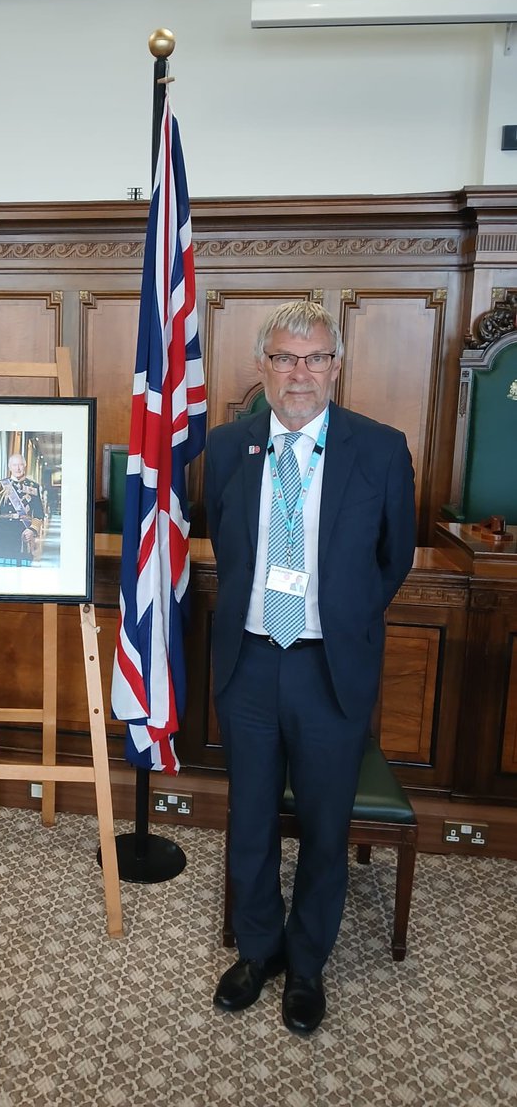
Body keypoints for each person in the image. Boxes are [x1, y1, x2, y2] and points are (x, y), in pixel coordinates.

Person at [204, 300, 415, 1035]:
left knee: (327, 825)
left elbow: (394, 561)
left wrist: (343, 619)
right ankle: (259, 951)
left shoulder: (381, 450)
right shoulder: (229, 448)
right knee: (252, 817)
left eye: (316, 357)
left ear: (336, 366)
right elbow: (222, 544)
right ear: (263, 366)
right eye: (287, 358)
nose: (301, 373)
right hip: (252, 664)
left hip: (331, 668)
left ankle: (308, 962)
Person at [0, 452, 43, 565]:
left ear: (25, 465)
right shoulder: (1, 485)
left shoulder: (33, 486)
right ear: (9, 467)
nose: (18, 468)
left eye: (21, 465)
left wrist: (32, 530)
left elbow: (39, 513)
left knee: (22, 566)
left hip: (24, 531)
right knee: (3, 564)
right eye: (14, 465)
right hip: (4, 531)